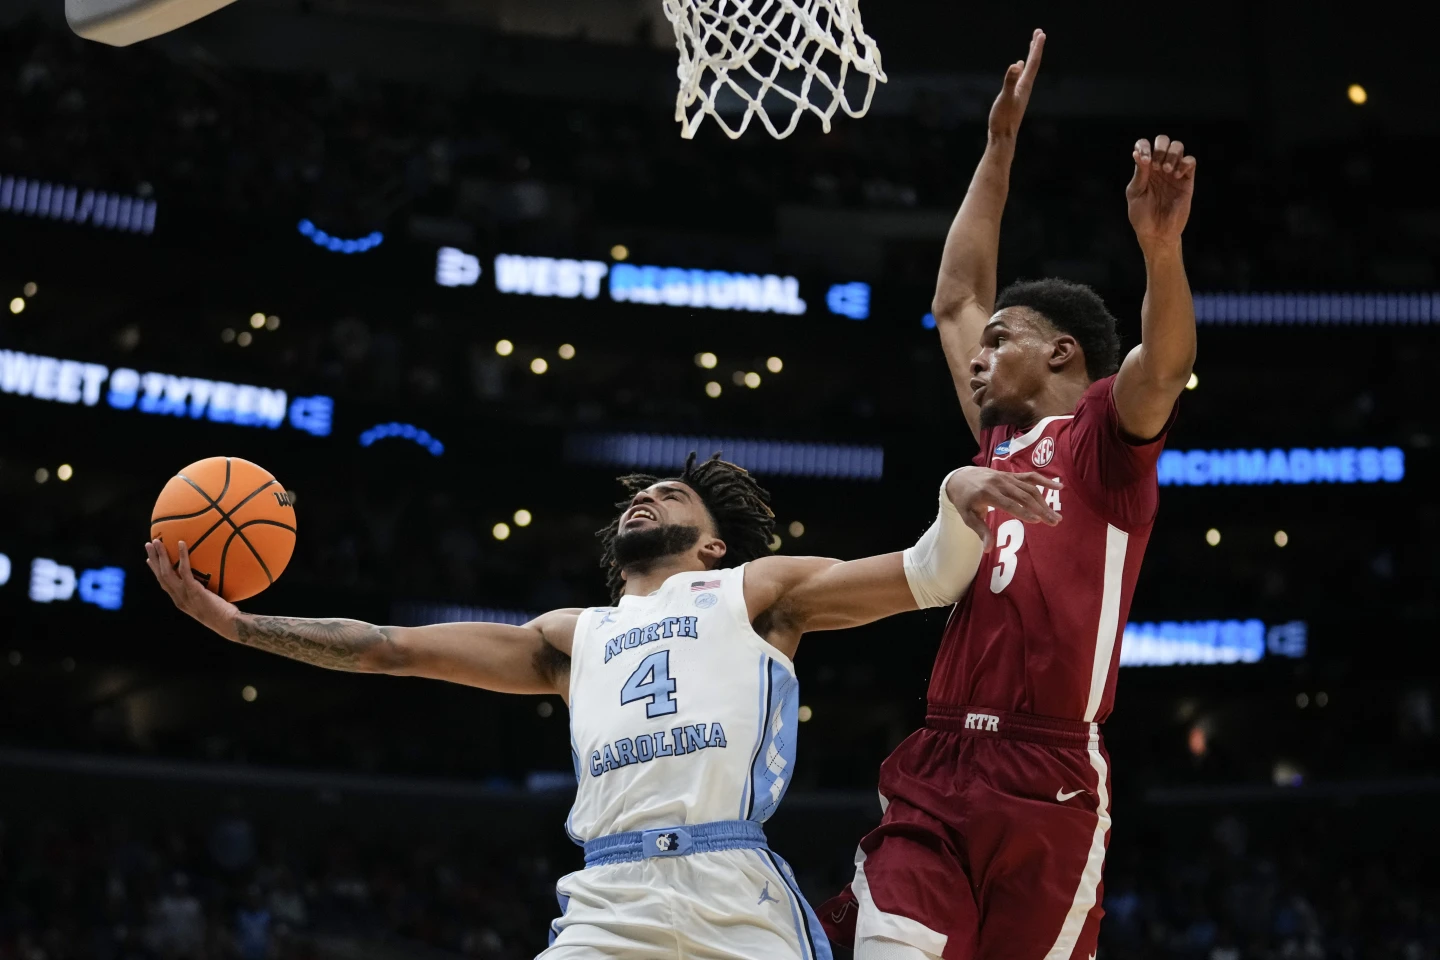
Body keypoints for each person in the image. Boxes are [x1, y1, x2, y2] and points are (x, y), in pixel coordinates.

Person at [146, 452, 1060, 960]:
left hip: (730, 892)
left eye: (673, 495)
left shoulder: (756, 591)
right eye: (640, 493)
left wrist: (955, 498)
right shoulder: (572, 634)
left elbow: (928, 577)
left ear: (709, 546)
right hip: (608, 900)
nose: (647, 496)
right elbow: (392, 649)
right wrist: (239, 628)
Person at [819, 29, 1199, 960]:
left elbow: (1169, 361)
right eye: (981, 346)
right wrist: (997, 148)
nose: (977, 353)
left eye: (1002, 339)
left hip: (1052, 771)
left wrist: (1160, 251)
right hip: (941, 756)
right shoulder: (995, 441)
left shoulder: (1109, 437)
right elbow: (953, 298)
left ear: (1062, 353)